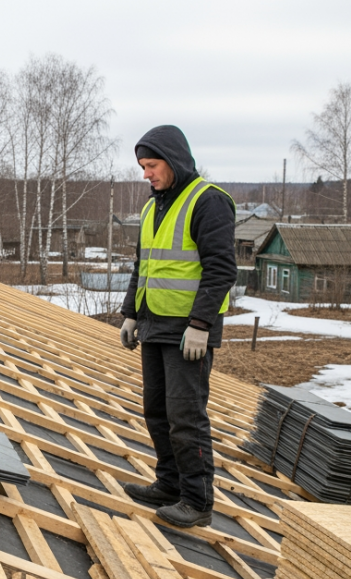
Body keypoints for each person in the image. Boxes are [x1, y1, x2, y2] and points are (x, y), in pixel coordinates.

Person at [118, 125, 237, 529]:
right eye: (142, 166)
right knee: (157, 411)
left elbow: (221, 269)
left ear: (173, 159)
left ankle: (197, 500)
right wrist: (130, 312)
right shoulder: (154, 207)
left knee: (186, 416)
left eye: (151, 165)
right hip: (154, 324)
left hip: (189, 331)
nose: (146, 174)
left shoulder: (208, 202)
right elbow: (143, 265)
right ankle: (168, 484)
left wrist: (202, 324)